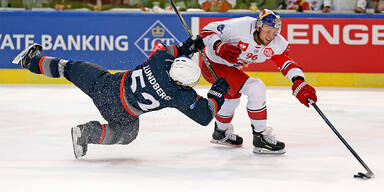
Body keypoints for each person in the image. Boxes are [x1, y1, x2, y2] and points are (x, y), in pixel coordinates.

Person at [11, 36, 230, 159]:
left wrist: (187, 47)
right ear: (183, 82)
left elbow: (169, 50)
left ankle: (29, 61)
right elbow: (204, 116)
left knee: (69, 67)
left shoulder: (160, 60)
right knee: (127, 134)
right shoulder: (179, 94)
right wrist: (216, 94)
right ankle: (88, 133)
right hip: (122, 112)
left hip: (105, 85)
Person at [199, 9, 317, 154]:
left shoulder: (277, 43)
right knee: (256, 88)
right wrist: (219, 46)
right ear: (258, 26)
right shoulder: (240, 27)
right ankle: (260, 136)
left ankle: (220, 132)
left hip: (230, 69)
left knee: (232, 96)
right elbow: (206, 31)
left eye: (275, 31)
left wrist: (299, 81)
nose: (271, 35)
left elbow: (286, 63)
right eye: (268, 30)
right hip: (211, 64)